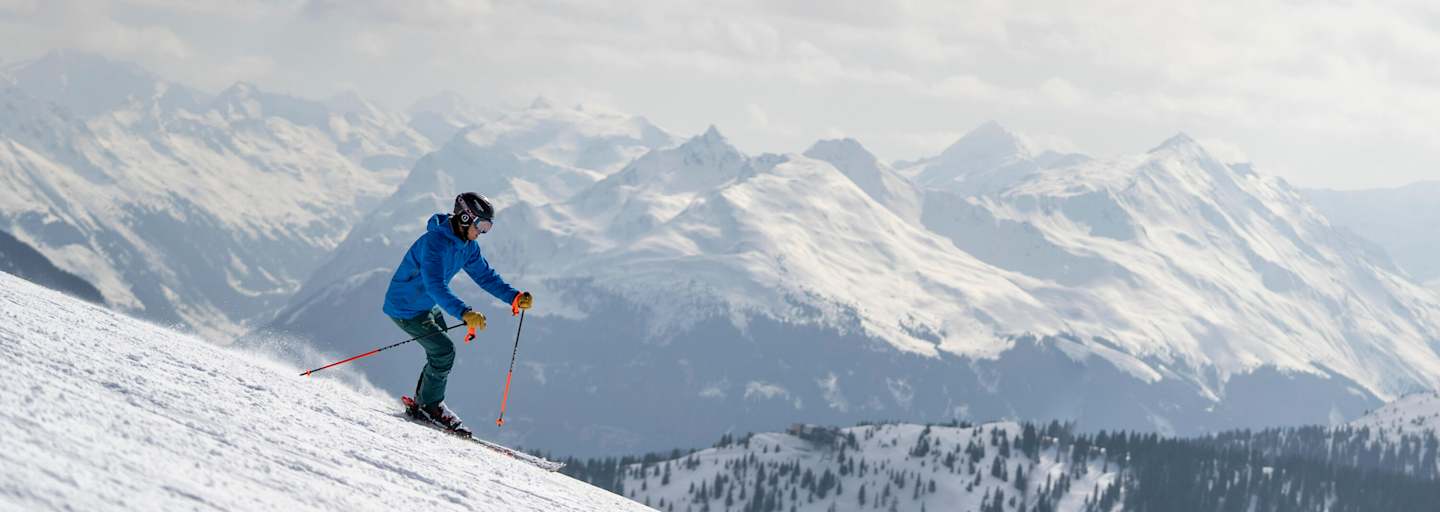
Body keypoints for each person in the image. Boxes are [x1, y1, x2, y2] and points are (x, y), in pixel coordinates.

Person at [382, 192, 533, 435]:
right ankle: (430, 406)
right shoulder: (434, 244)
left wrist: (513, 297)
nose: (482, 232)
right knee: (444, 351)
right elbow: (435, 285)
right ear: (465, 218)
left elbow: (485, 276)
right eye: (481, 225)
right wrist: (464, 312)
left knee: (441, 352)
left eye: (488, 227)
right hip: (406, 307)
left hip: (426, 304)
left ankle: (423, 403)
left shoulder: (467, 246)